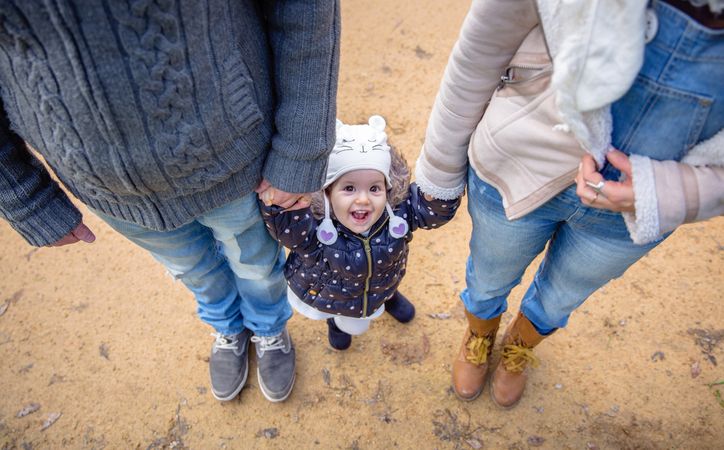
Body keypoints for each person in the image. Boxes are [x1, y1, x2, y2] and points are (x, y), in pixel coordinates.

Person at [0, 0, 340, 403]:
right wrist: (23, 196)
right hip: (107, 187)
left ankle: (267, 327)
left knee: (256, 263)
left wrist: (300, 150)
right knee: (191, 270)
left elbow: (303, 10)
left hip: (234, 159)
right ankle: (229, 326)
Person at [416, 0, 723, 408]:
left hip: (632, 213)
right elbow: (480, 51)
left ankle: (518, 347)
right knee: (489, 275)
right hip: (518, 165)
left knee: (562, 296)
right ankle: (480, 335)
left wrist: (673, 191)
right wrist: (438, 170)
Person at [260, 116, 461, 350]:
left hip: (383, 279)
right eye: (349, 188)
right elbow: (284, 227)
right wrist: (280, 202)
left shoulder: (399, 213)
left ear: (388, 189)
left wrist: (438, 189)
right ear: (327, 192)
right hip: (330, 293)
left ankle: (388, 297)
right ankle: (335, 323)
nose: (363, 199)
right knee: (335, 312)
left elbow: (431, 211)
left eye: (374, 188)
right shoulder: (313, 228)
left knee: (384, 282)